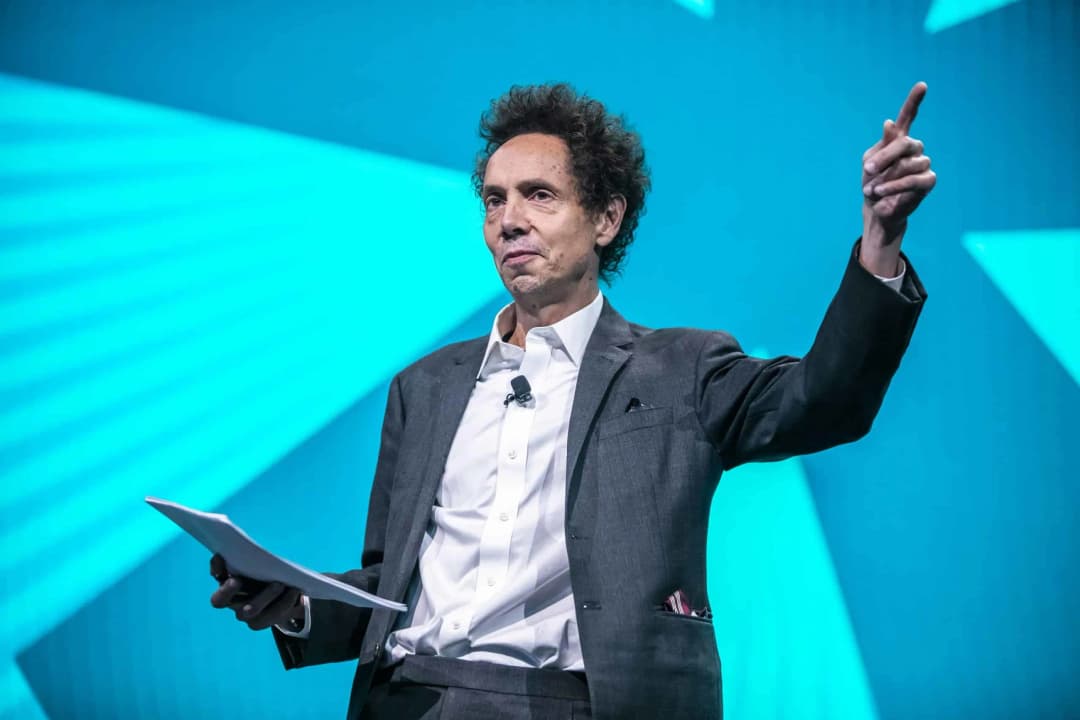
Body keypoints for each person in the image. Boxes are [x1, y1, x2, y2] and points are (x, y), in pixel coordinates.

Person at [209, 82, 935, 719]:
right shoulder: (424, 388)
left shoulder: (680, 367)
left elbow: (826, 399)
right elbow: (389, 585)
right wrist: (296, 603)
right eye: (494, 199)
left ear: (606, 219)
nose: (509, 220)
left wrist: (881, 241)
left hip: (578, 704)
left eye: (539, 195)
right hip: (408, 699)